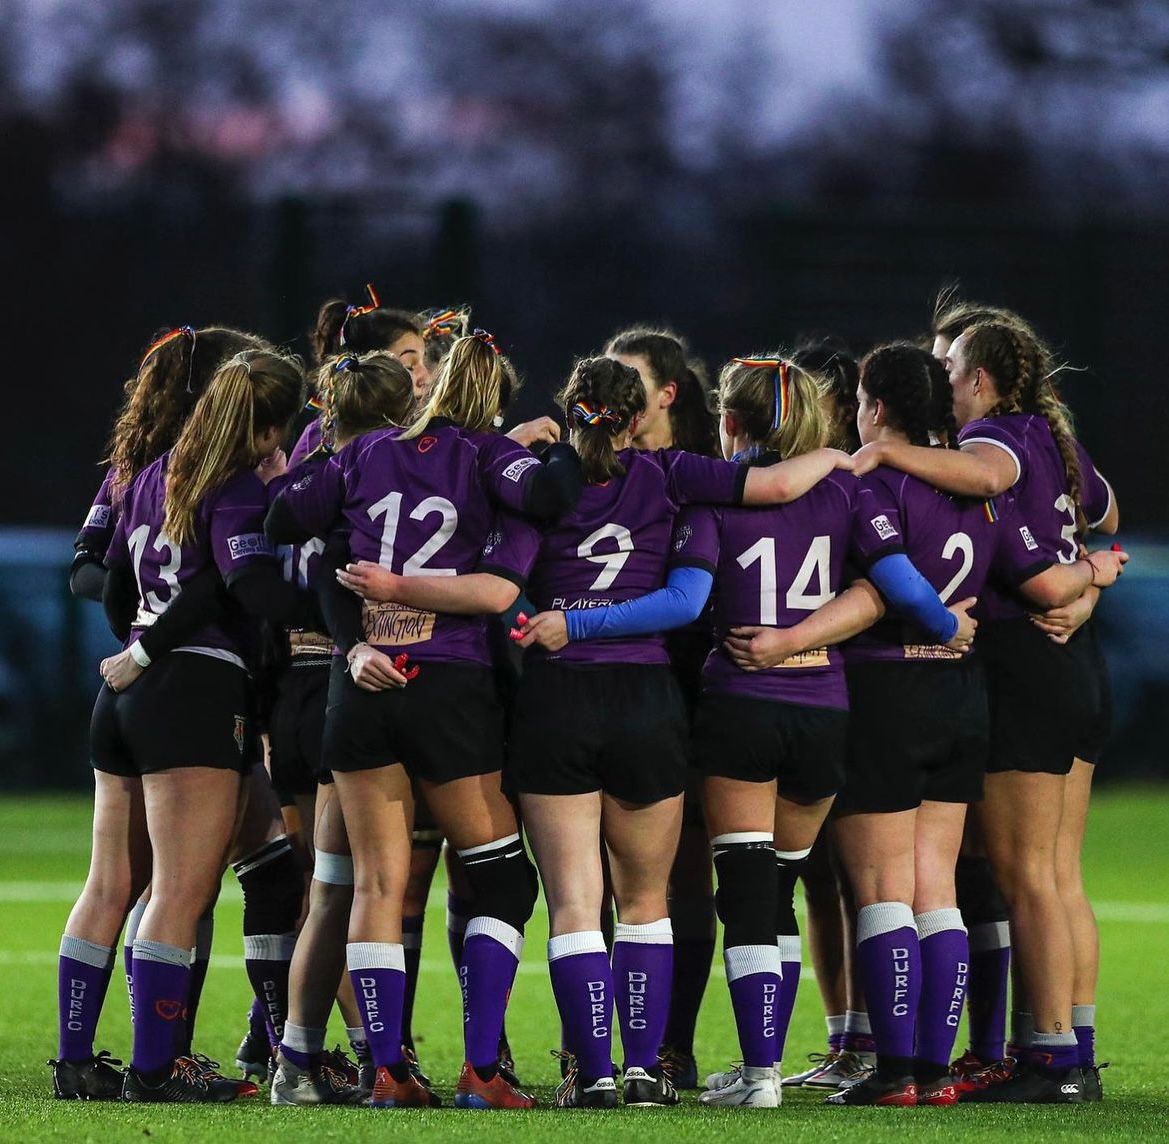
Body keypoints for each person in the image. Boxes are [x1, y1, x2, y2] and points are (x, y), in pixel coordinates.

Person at [265, 331, 582, 1110]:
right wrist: (574, 439)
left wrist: (331, 451)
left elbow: (283, 519)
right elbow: (546, 500)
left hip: (363, 687)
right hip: (450, 683)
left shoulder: (363, 454)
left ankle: (385, 1068)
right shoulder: (483, 456)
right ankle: (481, 1068)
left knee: (374, 881)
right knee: (502, 877)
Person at [823, 343, 1125, 1107]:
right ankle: (1060, 1046)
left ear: (980, 379)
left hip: (991, 671)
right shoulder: (1042, 441)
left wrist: (877, 452)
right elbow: (1102, 513)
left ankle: (1035, 1059)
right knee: (1044, 873)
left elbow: (1004, 526)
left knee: (1000, 876)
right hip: (1059, 666)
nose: (948, 378)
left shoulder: (987, 452)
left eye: (953, 364)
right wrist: (1091, 581)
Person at [58, 349, 318, 1103]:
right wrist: (333, 609)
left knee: (111, 882)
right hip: (194, 691)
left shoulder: (152, 472)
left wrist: (135, 646)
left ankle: (76, 1061)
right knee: (179, 889)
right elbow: (239, 587)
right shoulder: (237, 486)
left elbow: (112, 582)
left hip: (125, 695)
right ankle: (153, 1068)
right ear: (267, 427)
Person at [603, 326, 719, 1088]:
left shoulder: (698, 478)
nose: (610, 395)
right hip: (597, 682)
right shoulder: (587, 472)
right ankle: (612, 1051)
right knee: (597, 878)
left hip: (693, 685)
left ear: (666, 394)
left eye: (627, 381)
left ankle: (669, 1046)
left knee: (685, 875)